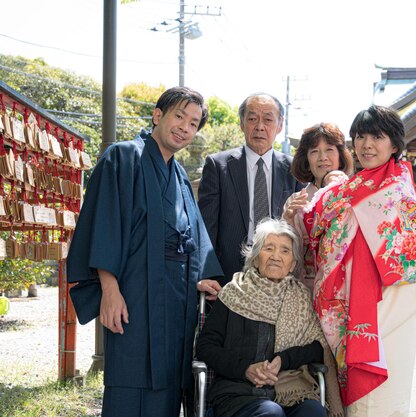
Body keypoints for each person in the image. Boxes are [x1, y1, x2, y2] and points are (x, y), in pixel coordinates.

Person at [67, 87, 224, 417]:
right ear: (158, 115)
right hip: (134, 295)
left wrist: (200, 278)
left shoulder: (180, 176)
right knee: (131, 377)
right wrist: (109, 290)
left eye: (193, 123)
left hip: (176, 302)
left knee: (169, 384)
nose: (184, 127)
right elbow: (105, 224)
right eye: (179, 116)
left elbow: (192, 236)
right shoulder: (122, 157)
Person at [302, 105, 416, 416]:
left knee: (388, 387)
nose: (367, 144)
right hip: (349, 297)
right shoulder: (349, 187)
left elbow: (410, 244)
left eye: (377, 137)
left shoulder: (396, 185)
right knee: (356, 393)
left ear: (394, 145)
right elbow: (318, 229)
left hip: (393, 295)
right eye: (360, 137)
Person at [196, 219, 344, 417]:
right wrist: (245, 369)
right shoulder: (234, 292)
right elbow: (206, 346)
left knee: (313, 411)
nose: (276, 256)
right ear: (255, 258)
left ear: (292, 264)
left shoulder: (301, 299)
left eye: (285, 251)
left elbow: (317, 349)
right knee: (271, 413)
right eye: (269, 248)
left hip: (289, 390)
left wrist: (283, 360)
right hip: (237, 393)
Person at [197, 93, 303, 298]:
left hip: (280, 275)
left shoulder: (294, 169)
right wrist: (207, 272)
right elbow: (206, 226)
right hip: (229, 276)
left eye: (268, 119)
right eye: (252, 119)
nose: (260, 126)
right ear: (241, 123)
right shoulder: (218, 166)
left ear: (280, 126)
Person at [281, 122, 353, 288]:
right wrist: (288, 221)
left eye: (329, 149)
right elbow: (287, 255)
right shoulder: (297, 201)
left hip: (345, 286)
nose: (323, 157)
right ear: (306, 159)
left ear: (340, 155)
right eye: (314, 152)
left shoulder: (353, 192)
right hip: (307, 288)